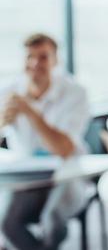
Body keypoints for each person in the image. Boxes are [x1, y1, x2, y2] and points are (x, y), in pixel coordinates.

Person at [0, 34, 90, 250]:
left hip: (67, 175)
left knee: (52, 222)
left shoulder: (75, 93)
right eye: (30, 57)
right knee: (7, 222)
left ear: (55, 60)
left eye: (43, 57)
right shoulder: (8, 92)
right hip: (27, 179)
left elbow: (64, 149)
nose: (34, 64)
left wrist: (31, 113)